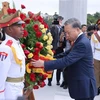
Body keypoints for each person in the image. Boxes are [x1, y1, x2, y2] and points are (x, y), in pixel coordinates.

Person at [32, 18, 97, 100]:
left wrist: (44, 64)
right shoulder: (79, 40)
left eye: (68, 32)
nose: (66, 35)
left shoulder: (82, 43)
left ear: (77, 30)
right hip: (81, 86)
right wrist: (48, 58)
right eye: (65, 33)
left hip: (84, 87)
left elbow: (67, 60)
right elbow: (65, 54)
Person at [0, 10, 26, 99]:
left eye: (22, 25)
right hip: (9, 89)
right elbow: (1, 73)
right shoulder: (5, 47)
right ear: (9, 29)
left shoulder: (16, 44)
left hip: (18, 86)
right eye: (19, 26)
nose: (22, 28)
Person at [91, 19, 100, 95]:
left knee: (96, 72)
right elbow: (92, 47)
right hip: (97, 55)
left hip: (96, 55)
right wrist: (92, 57)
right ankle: (96, 87)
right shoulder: (94, 35)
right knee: (96, 73)